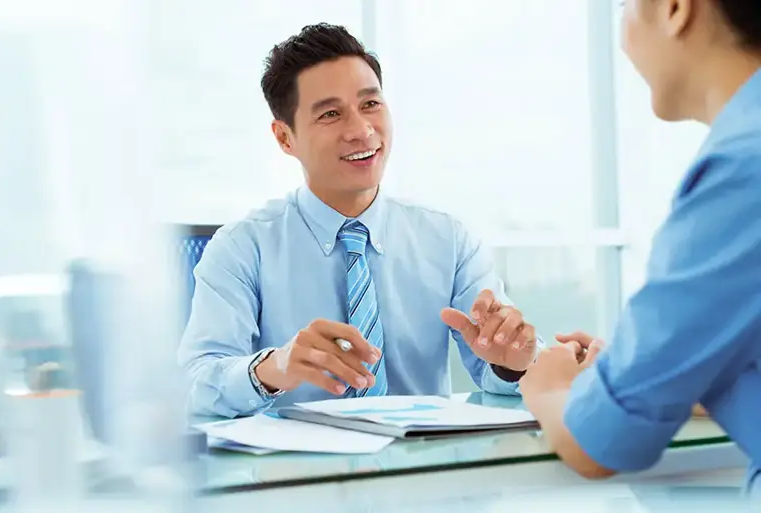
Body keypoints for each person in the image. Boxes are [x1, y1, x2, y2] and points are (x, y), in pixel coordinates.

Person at [177, 23, 544, 418]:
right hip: (293, 472)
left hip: (424, 467)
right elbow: (195, 385)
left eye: (371, 105)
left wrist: (510, 363)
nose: (361, 130)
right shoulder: (242, 246)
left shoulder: (448, 240)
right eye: (331, 114)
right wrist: (273, 368)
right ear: (285, 138)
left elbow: (500, 372)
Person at [518, 0, 761, 496]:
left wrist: (548, 387)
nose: (623, 36)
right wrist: (645, 371)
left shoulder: (742, 168)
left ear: (675, 9)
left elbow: (600, 443)